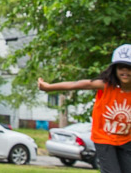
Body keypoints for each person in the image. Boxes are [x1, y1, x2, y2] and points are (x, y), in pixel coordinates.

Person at [38, 43, 131, 173]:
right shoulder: (106, 86)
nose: (125, 72)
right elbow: (77, 84)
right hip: (104, 139)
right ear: (114, 69)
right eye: (121, 68)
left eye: (129, 68)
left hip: (126, 140)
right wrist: (48, 87)